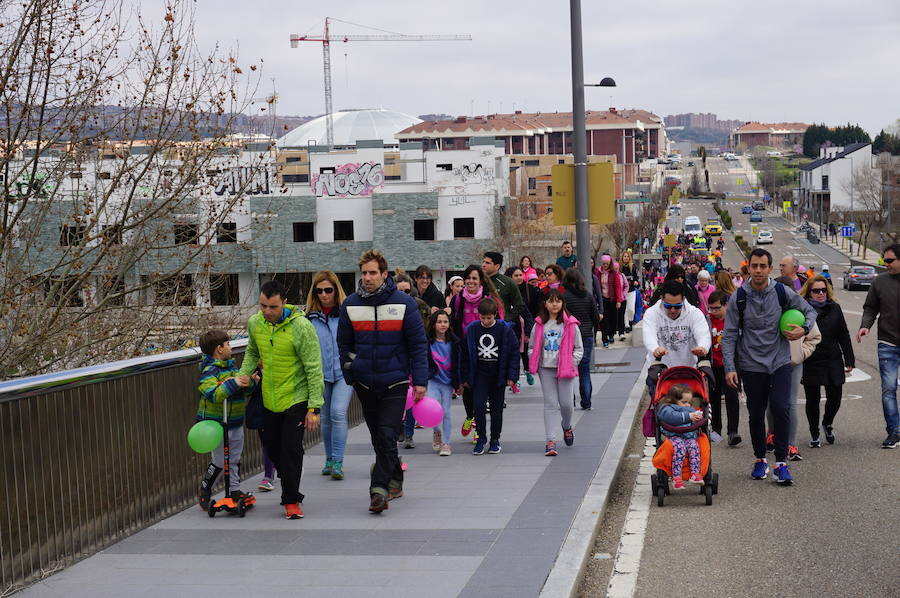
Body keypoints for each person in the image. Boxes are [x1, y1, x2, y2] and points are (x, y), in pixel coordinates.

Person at [337, 250, 429, 513]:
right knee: (379, 437)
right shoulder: (351, 304)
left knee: (388, 433)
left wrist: (420, 381)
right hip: (365, 383)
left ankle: (377, 490)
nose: (367, 277)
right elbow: (344, 343)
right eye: (364, 273)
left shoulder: (404, 304)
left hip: (395, 381)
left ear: (384, 274)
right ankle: (396, 477)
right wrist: (350, 369)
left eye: (372, 273)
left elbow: (418, 344)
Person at [722, 248, 817, 485]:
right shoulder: (739, 297)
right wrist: (730, 368)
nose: (758, 270)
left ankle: (781, 463)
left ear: (770, 269)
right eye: (754, 266)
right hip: (751, 364)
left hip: (780, 361)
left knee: (781, 408)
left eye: (763, 266)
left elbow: (809, 311)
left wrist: (803, 329)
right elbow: (730, 335)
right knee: (755, 414)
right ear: (749, 268)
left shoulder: (782, 292)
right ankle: (759, 459)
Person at [237, 280, 324, 519]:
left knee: (290, 449)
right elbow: (252, 352)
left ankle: (291, 499)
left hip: (297, 396)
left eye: (272, 306)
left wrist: (314, 407)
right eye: (263, 305)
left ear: (284, 303)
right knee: (273, 448)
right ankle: (290, 484)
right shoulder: (256, 323)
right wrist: (244, 373)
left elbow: (314, 367)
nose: (267, 311)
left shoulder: (301, 327)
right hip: (269, 397)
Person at [197, 330, 256, 510]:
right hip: (216, 424)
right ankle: (206, 488)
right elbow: (213, 394)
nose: (231, 347)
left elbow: (243, 390)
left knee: (235, 456)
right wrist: (234, 383)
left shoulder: (232, 368)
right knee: (220, 459)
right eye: (228, 344)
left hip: (235, 420)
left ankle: (235, 489)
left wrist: (250, 382)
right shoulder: (209, 370)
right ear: (219, 349)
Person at [449, 265, 504, 441]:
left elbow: (499, 323)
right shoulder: (458, 299)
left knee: (482, 394)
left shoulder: (488, 299)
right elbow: (452, 324)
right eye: (468, 278)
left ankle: (478, 430)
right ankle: (470, 417)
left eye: (475, 278)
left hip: (484, 349)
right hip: (464, 349)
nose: (471, 281)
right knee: (467, 387)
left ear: (481, 280)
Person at [306, 270, 352, 481]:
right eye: (320, 291)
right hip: (320, 374)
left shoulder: (346, 313)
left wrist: (354, 361)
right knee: (325, 418)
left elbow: (356, 340)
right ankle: (328, 459)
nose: (324, 294)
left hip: (344, 371)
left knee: (338, 413)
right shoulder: (308, 318)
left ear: (336, 290)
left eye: (328, 290)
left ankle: (338, 461)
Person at [459, 298, 519, 455]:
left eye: (489, 318)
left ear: (495, 315)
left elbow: (513, 353)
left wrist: (512, 376)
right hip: (479, 374)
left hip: (498, 374)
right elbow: (465, 354)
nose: (485, 321)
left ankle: (494, 440)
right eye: (482, 317)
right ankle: (481, 439)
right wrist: (464, 377)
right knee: (478, 406)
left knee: (496, 409)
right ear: (479, 316)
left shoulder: (504, 330)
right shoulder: (472, 329)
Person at [800, 276, 854, 447]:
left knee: (836, 396)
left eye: (823, 290)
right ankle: (814, 433)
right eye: (816, 291)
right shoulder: (802, 310)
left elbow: (843, 334)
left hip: (832, 358)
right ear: (809, 292)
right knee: (813, 399)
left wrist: (849, 358)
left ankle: (827, 422)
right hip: (811, 359)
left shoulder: (835, 308)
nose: (821, 293)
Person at [528, 289, 584, 456]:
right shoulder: (539, 324)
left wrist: (571, 362)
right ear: (545, 304)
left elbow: (579, 349)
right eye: (551, 301)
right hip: (546, 368)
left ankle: (567, 426)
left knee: (566, 404)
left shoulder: (571, 324)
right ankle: (550, 441)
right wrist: (535, 360)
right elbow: (531, 347)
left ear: (562, 304)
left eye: (558, 301)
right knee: (550, 404)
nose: (554, 304)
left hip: (565, 369)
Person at [857, 243, 900, 448]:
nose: (885, 264)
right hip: (888, 343)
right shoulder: (880, 282)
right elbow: (870, 307)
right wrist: (865, 326)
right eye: (884, 260)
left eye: (889, 261)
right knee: (888, 389)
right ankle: (894, 431)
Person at [643, 280, 711, 398]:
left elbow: (703, 334)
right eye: (668, 306)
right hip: (662, 373)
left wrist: (703, 347)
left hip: (688, 373)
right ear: (662, 299)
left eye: (677, 306)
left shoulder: (694, 313)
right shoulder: (651, 313)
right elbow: (649, 334)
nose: (673, 310)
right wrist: (655, 348)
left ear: (683, 299)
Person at [562, 269, 602, 410]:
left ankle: (569, 401)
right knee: (584, 370)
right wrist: (590, 327)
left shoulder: (564, 297)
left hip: (569, 337)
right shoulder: (588, 296)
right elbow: (596, 317)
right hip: (586, 335)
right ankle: (586, 402)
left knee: (568, 369)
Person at [706, 291, 740, 445]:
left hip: (730, 365)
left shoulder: (733, 320)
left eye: (717, 308)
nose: (714, 312)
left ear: (726, 305)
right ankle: (716, 430)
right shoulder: (707, 321)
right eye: (711, 308)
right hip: (714, 365)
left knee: (732, 398)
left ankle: (733, 431)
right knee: (714, 398)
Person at [482, 251, 534, 350]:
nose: (483, 265)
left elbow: (519, 305)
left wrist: (506, 319)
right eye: (483, 262)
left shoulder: (507, 282)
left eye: (487, 263)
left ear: (497, 266)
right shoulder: (478, 281)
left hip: (501, 329)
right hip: (480, 327)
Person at [657, 384, 705, 489]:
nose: (687, 405)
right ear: (673, 401)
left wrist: (698, 417)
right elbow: (671, 417)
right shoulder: (667, 409)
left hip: (688, 436)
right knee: (679, 447)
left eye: (689, 402)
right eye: (684, 402)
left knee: (694, 446)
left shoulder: (691, 409)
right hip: (674, 435)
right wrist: (688, 417)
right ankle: (676, 477)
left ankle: (695, 473)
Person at [426, 311, 460, 456]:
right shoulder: (427, 342)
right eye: (439, 322)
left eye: (445, 322)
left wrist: (459, 383)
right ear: (433, 324)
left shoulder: (454, 342)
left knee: (446, 412)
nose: (442, 324)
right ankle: (436, 431)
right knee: (433, 410)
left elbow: (458, 363)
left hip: (448, 382)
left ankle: (446, 443)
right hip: (433, 381)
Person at [507, 265, 543, 386]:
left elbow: (536, 309)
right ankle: (515, 378)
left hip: (528, 325)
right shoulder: (507, 291)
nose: (519, 278)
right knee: (514, 354)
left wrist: (530, 329)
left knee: (525, 352)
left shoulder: (530, 289)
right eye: (516, 276)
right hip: (513, 326)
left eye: (520, 275)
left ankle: (527, 372)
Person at [244, 361, 277, 492]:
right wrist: (254, 383)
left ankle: (284, 467)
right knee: (267, 442)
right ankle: (268, 476)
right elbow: (246, 390)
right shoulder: (252, 367)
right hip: (261, 410)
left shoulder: (279, 362)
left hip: (280, 407)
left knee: (279, 442)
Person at [597, 255, 623, 348]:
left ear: (610, 264)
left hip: (612, 299)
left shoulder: (614, 273)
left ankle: (611, 334)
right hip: (602, 299)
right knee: (604, 320)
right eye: (603, 264)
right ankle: (604, 339)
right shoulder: (598, 272)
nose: (605, 266)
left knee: (613, 319)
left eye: (607, 264)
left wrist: (619, 300)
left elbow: (618, 287)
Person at [613, 261, 629, 341]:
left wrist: (623, 294)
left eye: (617, 268)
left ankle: (621, 333)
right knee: (614, 316)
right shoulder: (611, 276)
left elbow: (626, 286)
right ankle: (612, 332)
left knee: (621, 316)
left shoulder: (622, 275)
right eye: (614, 268)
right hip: (613, 300)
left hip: (622, 299)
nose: (616, 270)